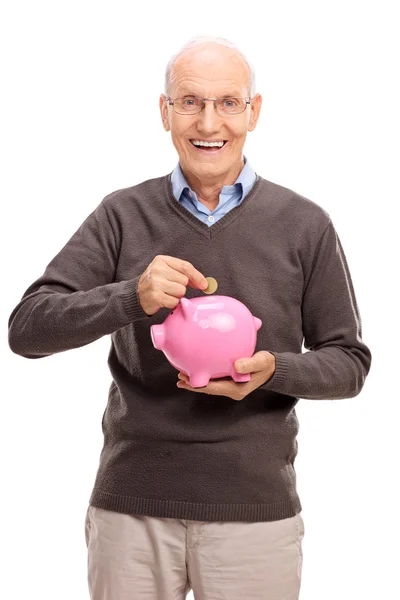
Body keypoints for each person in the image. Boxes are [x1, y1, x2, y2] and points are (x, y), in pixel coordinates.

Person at [8, 35, 372, 600]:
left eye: (228, 102)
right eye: (189, 101)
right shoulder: (122, 214)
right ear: (164, 112)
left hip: (254, 513)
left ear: (254, 112)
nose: (209, 121)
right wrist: (132, 295)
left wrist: (272, 370)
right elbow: (28, 329)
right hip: (132, 510)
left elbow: (348, 364)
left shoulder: (305, 224)